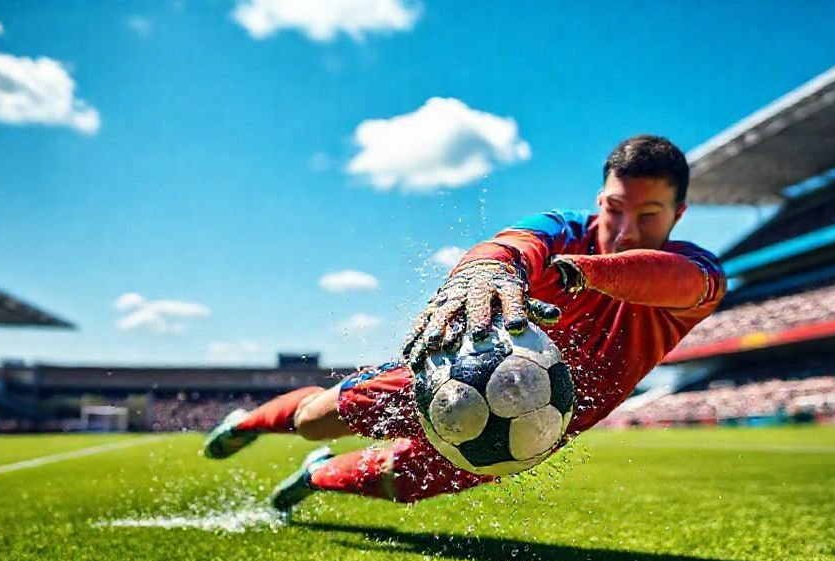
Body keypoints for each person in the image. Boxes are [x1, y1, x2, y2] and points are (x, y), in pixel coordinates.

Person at [202, 135, 726, 518]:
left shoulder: (698, 273)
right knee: (317, 419)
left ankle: (316, 475)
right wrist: (486, 266)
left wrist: (585, 272)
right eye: (615, 209)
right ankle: (247, 423)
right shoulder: (563, 229)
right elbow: (511, 245)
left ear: (678, 214)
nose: (626, 230)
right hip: (462, 368)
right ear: (599, 200)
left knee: (396, 480)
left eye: (650, 216)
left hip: (541, 421)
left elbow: (671, 281)